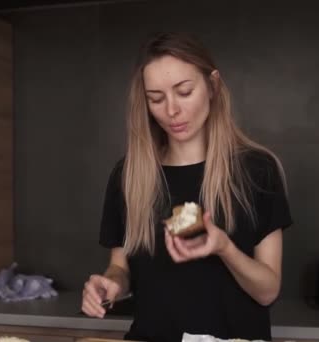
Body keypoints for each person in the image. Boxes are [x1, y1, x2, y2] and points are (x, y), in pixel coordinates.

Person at [81, 32, 293, 342]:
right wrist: (111, 284)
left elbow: (267, 291)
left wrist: (224, 248)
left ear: (212, 85)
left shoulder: (257, 170)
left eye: (184, 91)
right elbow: (120, 268)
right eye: (156, 98)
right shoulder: (129, 176)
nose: (171, 110)